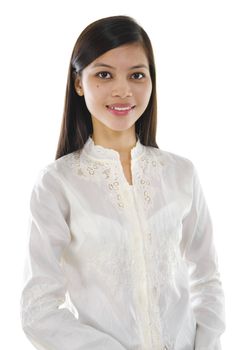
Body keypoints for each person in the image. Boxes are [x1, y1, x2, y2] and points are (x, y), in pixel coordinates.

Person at [20, 15, 225, 350]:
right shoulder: (57, 185)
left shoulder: (181, 174)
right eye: (104, 74)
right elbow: (37, 310)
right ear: (78, 83)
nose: (122, 90)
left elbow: (207, 277)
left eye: (137, 75)